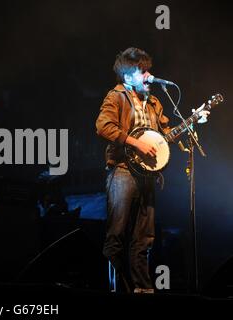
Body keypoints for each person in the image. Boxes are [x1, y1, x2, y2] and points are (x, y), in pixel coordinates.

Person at [95, 47, 209, 293]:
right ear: (127, 76)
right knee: (116, 234)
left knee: (144, 237)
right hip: (123, 171)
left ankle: (142, 288)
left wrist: (192, 121)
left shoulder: (154, 102)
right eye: (142, 71)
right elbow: (104, 127)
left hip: (147, 175)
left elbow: (166, 134)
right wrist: (137, 143)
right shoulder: (116, 97)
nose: (148, 75)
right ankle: (116, 289)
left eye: (148, 70)